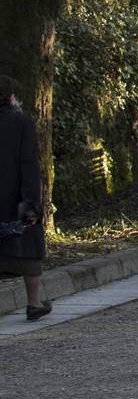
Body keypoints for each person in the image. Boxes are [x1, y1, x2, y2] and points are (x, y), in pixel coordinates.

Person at [0, 76, 50, 321]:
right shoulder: (22, 123)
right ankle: (34, 303)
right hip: (14, 198)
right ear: (10, 98)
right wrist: (31, 206)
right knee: (29, 248)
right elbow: (29, 165)